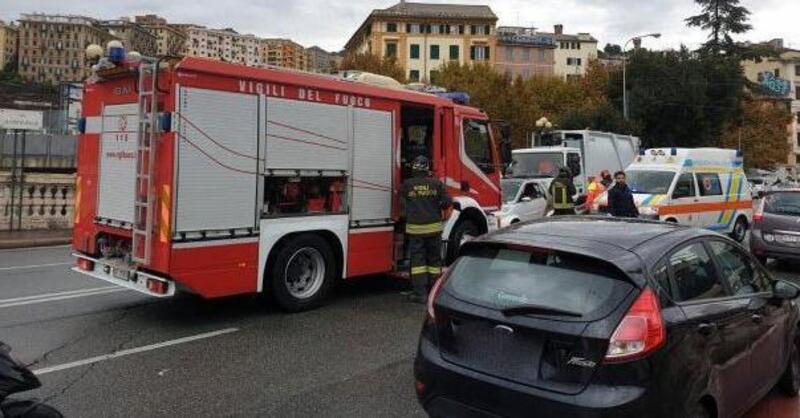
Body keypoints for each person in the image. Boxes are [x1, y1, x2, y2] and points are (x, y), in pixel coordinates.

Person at [400, 156, 452, 304]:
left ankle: (420, 294)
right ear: (427, 168)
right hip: (434, 230)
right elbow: (447, 202)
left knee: (418, 263)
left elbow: (402, 207)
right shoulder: (436, 184)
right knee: (434, 261)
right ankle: (433, 292)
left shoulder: (407, 185)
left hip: (415, 231)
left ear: (414, 168)